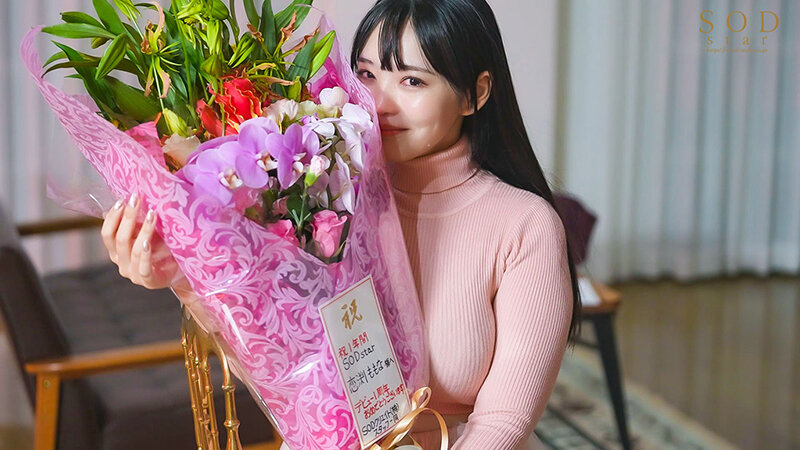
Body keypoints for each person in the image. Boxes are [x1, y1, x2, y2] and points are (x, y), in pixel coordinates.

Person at [102, 0, 582, 448]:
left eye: (412, 81)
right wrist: (182, 275)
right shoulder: (317, 194)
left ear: (475, 94)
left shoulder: (524, 227)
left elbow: (504, 422)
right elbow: (279, 367)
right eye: (368, 75)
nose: (380, 103)